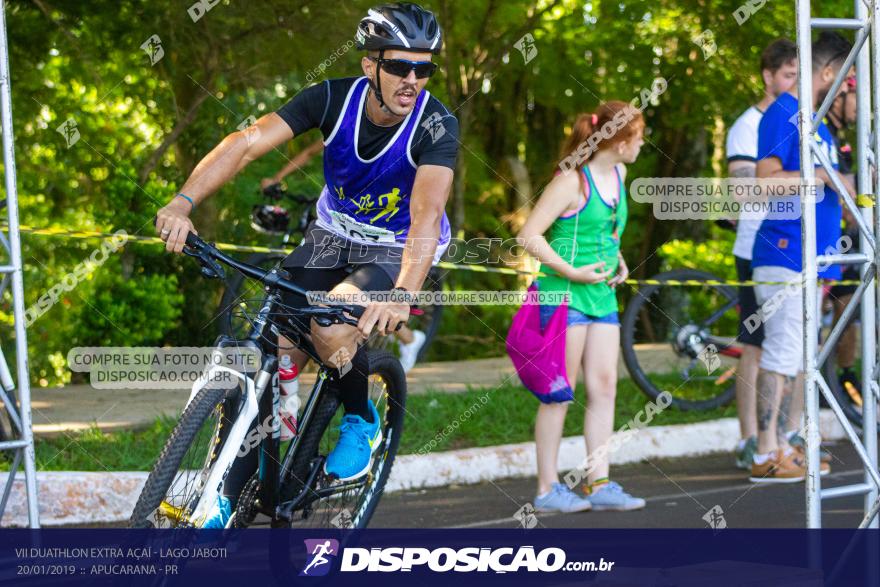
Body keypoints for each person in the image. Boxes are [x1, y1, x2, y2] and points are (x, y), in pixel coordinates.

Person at [155, 3, 459, 525]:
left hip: (395, 244)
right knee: (272, 339)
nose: (413, 80)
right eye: (400, 67)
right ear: (371, 66)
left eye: (424, 68)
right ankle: (232, 487)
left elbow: (427, 214)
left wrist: (404, 291)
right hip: (331, 233)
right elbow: (246, 143)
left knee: (330, 325)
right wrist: (183, 202)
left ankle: (362, 419)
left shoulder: (436, 125)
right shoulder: (331, 98)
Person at [517, 103, 646, 512]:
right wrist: (571, 271)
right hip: (564, 296)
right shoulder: (572, 181)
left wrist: (618, 258)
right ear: (622, 141)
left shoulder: (620, 175)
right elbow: (529, 235)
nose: (643, 143)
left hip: (601, 295)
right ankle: (546, 490)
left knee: (605, 386)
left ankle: (599, 482)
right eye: (639, 136)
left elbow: (606, 230)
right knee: (559, 394)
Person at [749, 31, 856, 483]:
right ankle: (764, 451)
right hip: (785, 254)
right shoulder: (784, 113)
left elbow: (829, 185)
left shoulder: (816, 121)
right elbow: (766, 180)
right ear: (828, 72)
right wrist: (822, 175)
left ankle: (787, 444)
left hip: (815, 261)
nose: (847, 86)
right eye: (846, 77)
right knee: (781, 351)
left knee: (799, 355)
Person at [260, 139, 429, 372]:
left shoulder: (405, 146)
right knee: (303, 303)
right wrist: (279, 177)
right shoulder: (345, 131)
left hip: (383, 238)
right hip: (339, 224)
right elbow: (309, 150)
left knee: (340, 313)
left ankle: (406, 338)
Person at [726, 39, 798, 471]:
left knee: (788, 344)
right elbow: (743, 189)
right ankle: (750, 439)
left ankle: (783, 439)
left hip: (795, 248)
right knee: (754, 347)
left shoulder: (797, 119)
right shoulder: (748, 125)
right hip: (757, 246)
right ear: (767, 76)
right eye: (786, 74)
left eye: (797, 74)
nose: (792, 82)